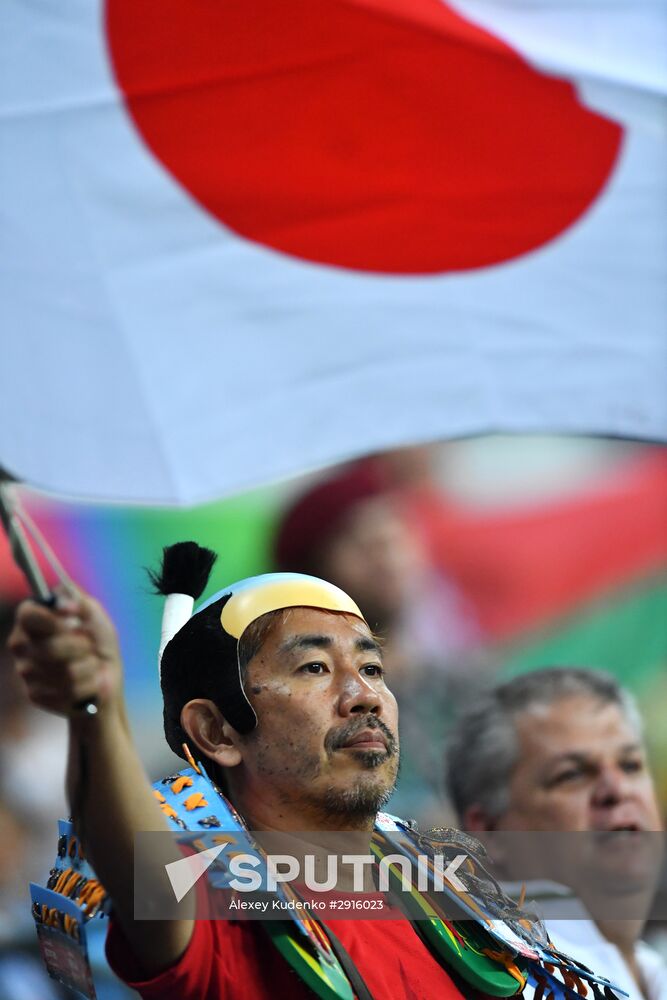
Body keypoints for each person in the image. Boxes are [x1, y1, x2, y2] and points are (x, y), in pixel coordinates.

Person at [9, 544, 618, 1000]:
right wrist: (95, 709)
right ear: (218, 732)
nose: (364, 695)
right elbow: (139, 868)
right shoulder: (218, 900)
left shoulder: (458, 889)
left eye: (372, 669)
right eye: (313, 670)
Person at [445, 668, 667, 1000]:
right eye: (572, 774)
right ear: (489, 832)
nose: (617, 789)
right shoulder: (491, 986)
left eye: (631, 764)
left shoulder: (654, 969)